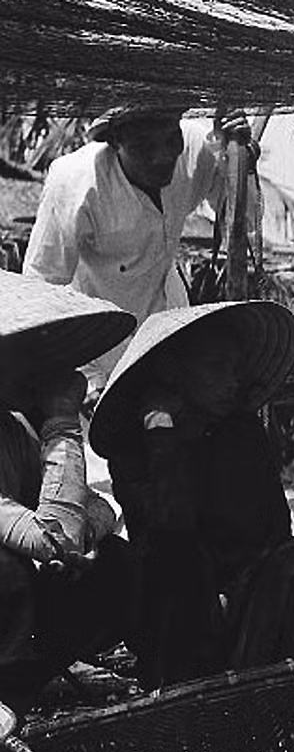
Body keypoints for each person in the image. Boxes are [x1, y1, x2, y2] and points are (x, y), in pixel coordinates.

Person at [87, 300, 294, 689]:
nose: (232, 380)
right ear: (174, 374)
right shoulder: (135, 447)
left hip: (243, 598)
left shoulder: (243, 434)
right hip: (177, 607)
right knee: (169, 565)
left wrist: (231, 594)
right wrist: (163, 436)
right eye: (216, 368)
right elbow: (168, 529)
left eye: (235, 368)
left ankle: (258, 683)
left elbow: (271, 531)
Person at [23, 104, 256, 391]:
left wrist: (238, 161)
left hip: (170, 344)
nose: (163, 156)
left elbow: (242, 221)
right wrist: (78, 377)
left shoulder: (196, 149)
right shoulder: (75, 182)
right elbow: (42, 285)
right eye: (144, 145)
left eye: (171, 140)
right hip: (99, 361)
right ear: (114, 141)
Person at [0, 271, 136, 717]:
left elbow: (98, 510)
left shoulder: (13, 428)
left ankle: (22, 685)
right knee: (8, 572)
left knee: (115, 563)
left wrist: (81, 548)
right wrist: (61, 422)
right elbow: (55, 535)